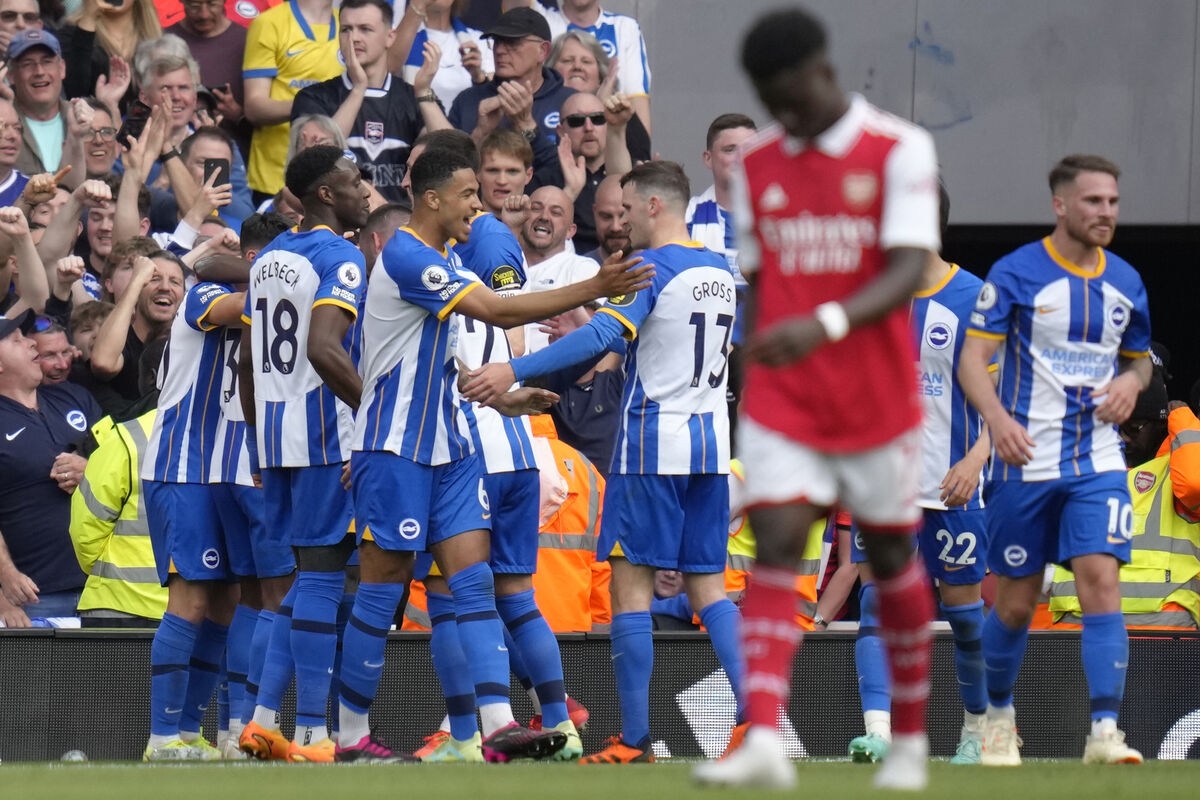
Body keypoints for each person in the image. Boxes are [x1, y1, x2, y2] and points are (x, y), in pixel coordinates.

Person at [332, 146, 650, 763]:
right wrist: (596, 286)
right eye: (468, 194)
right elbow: (499, 310)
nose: (479, 206)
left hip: (453, 448)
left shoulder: (446, 259)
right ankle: (349, 738)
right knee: (383, 586)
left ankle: (498, 725)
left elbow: (442, 362)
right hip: (394, 448)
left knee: (475, 586)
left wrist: (504, 401)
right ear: (431, 199)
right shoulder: (403, 253)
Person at [693, 9, 941, 790]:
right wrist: (758, 365)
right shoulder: (761, 163)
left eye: (788, 94)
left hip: (874, 393)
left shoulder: (899, 148)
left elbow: (908, 266)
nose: (783, 114)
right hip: (785, 395)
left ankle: (907, 739)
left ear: (821, 71)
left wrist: (825, 322)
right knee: (775, 547)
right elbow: (760, 280)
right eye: (768, 99)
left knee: (891, 557)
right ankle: (763, 735)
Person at [462, 160, 745, 766]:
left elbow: (600, 340)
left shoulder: (653, 268)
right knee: (709, 588)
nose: (614, 225)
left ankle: (635, 740)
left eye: (625, 206)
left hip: (651, 446)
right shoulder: (719, 271)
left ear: (652, 207)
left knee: (630, 591)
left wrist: (513, 369)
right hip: (711, 446)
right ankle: (753, 722)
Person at [958, 154, 1152, 767]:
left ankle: (1104, 733)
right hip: (1026, 462)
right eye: (1094, 201)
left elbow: (1140, 358)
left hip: (1096, 460)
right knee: (1015, 601)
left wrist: (1133, 383)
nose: (1106, 213)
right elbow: (971, 359)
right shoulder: (1014, 274)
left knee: (1101, 582)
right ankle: (996, 716)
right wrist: (997, 422)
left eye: (1114, 202)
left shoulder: (1126, 280)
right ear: (1060, 205)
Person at [846, 183, 993, 766]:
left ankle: (979, 730)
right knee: (878, 607)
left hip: (951, 485)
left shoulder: (975, 298)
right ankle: (879, 732)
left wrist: (978, 455)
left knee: (961, 613)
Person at [236, 146, 369, 764]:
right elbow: (325, 348)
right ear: (324, 194)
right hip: (324, 434)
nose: (364, 190)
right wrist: (374, 419)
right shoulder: (340, 255)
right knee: (321, 578)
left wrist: (259, 437)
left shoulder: (268, 260)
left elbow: (244, 359)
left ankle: (263, 719)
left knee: (299, 581)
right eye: (352, 182)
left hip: (276, 435)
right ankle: (315, 732)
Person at [206, 211, 298, 759]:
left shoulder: (231, 290)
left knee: (248, 599)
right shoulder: (279, 288)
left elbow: (212, 263)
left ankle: (231, 726)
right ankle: (253, 727)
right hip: (263, 456)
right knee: (277, 598)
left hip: (228, 459)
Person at [1049, 361, 1200, 630]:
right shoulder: (1083, 470)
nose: (1123, 438)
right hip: (1076, 627)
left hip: (1160, 629)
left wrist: (1182, 416)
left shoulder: (1175, 471)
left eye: (1134, 428)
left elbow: (1194, 484)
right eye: (1116, 428)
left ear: (1162, 423)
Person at [292, 0, 450, 204]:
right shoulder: (313, 97)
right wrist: (359, 89)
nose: (354, 38)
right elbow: (316, 164)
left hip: (403, 223)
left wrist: (423, 93)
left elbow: (452, 155)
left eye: (365, 29)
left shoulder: (413, 97)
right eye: (346, 30)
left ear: (390, 37)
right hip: (340, 225)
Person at [0, 310, 102, 628]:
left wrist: (92, 470)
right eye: (17, 340)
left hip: (102, 588)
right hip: (31, 595)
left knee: (102, 680)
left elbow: (124, 464)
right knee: (33, 680)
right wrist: (4, 588)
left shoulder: (72, 396)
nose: (31, 343)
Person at [69, 338, 168, 628]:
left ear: (150, 377)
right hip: (195, 610)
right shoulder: (230, 435)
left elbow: (84, 529)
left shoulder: (124, 438)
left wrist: (105, 568)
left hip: (116, 606)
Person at [448, 7, 573, 192]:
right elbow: (447, 174)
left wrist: (528, 127)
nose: (499, 50)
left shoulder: (569, 102)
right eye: (497, 41)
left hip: (546, 213)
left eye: (512, 42)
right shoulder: (468, 100)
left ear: (543, 51)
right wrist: (480, 133)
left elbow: (577, 174)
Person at [242, 0, 343, 201]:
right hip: (275, 176)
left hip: (334, 173)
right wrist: (310, 105)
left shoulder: (348, 25)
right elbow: (254, 107)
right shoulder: (269, 23)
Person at [506, 0, 651, 132]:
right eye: (567, 60)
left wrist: (642, 156)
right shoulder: (540, 19)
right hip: (544, 130)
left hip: (606, 137)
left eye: (586, 61)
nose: (577, 66)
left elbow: (636, 99)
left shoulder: (624, 28)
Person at [88, 248, 184, 417]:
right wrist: (136, 280)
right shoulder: (121, 341)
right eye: (154, 279)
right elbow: (103, 362)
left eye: (175, 282)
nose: (165, 287)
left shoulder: (188, 346)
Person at [514, 185, 601, 353]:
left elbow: (599, 338)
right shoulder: (504, 264)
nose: (544, 217)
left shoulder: (583, 269)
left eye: (556, 212)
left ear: (570, 231)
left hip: (555, 372)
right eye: (536, 208)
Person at [554, 89, 633, 253]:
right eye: (577, 121)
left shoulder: (625, 166)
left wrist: (617, 129)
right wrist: (570, 191)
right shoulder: (546, 176)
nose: (589, 128)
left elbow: (621, 180)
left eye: (598, 119)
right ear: (561, 131)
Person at [7, 29, 88, 184]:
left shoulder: (84, 119)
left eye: (46, 62)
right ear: (11, 75)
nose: (39, 71)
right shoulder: (3, 126)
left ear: (62, 68)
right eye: (27, 64)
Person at [390, 0, 492, 111]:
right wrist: (417, 6)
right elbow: (387, 68)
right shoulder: (393, 34)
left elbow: (494, 99)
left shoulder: (481, 41)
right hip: (413, 126)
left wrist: (478, 77)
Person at [582, 173, 628, 264]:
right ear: (594, 213)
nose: (615, 227)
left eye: (624, 216)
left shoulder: (661, 268)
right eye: (606, 217)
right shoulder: (578, 272)